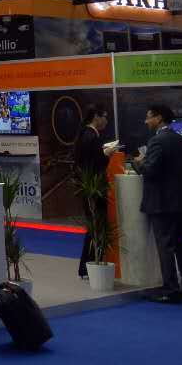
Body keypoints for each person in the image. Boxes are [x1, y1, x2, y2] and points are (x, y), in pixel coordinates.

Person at [133, 105, 182, 304]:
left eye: (148, 117)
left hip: (162, 202)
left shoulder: (157, 141)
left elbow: (150, 170)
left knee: (165, 246)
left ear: (159, 118)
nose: (146, 121)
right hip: (181, 200)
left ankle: (170, 289)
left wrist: (139, 162)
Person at [75, 104, 110, 278]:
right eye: (105, 117)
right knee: (96, 227)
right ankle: (89, 266)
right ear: (96, 116)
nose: (106, 121)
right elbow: (94, 163)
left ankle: (87, 266)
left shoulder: (85, 134)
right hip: (94, 189)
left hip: (88, 187)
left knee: (94, 227)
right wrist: (106, 155)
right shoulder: (90, 136)